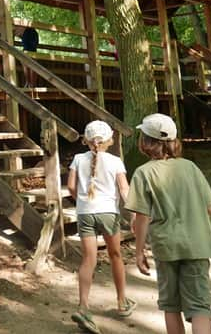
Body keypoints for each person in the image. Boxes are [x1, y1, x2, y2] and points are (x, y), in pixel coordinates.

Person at [126, 113, 211, 334]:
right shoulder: (191, 168)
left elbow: (142, 217)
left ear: (145, 142)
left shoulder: (143, 173)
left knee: (171, 305)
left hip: (166, 246)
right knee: (200, 307)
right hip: (197, 244)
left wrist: (139, 251)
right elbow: (209, 208)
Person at [68, 120, 136, 334]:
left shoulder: (78, 159)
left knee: (88, 259)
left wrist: (80, 200)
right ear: (109, 140)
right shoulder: (115, 161)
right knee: (115, 255)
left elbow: (71, 186)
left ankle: (83, 307)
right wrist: (133, 214)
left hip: (85, 213)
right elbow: (124, 189)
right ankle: (122, 301)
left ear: (86, 140)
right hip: (108, 213)